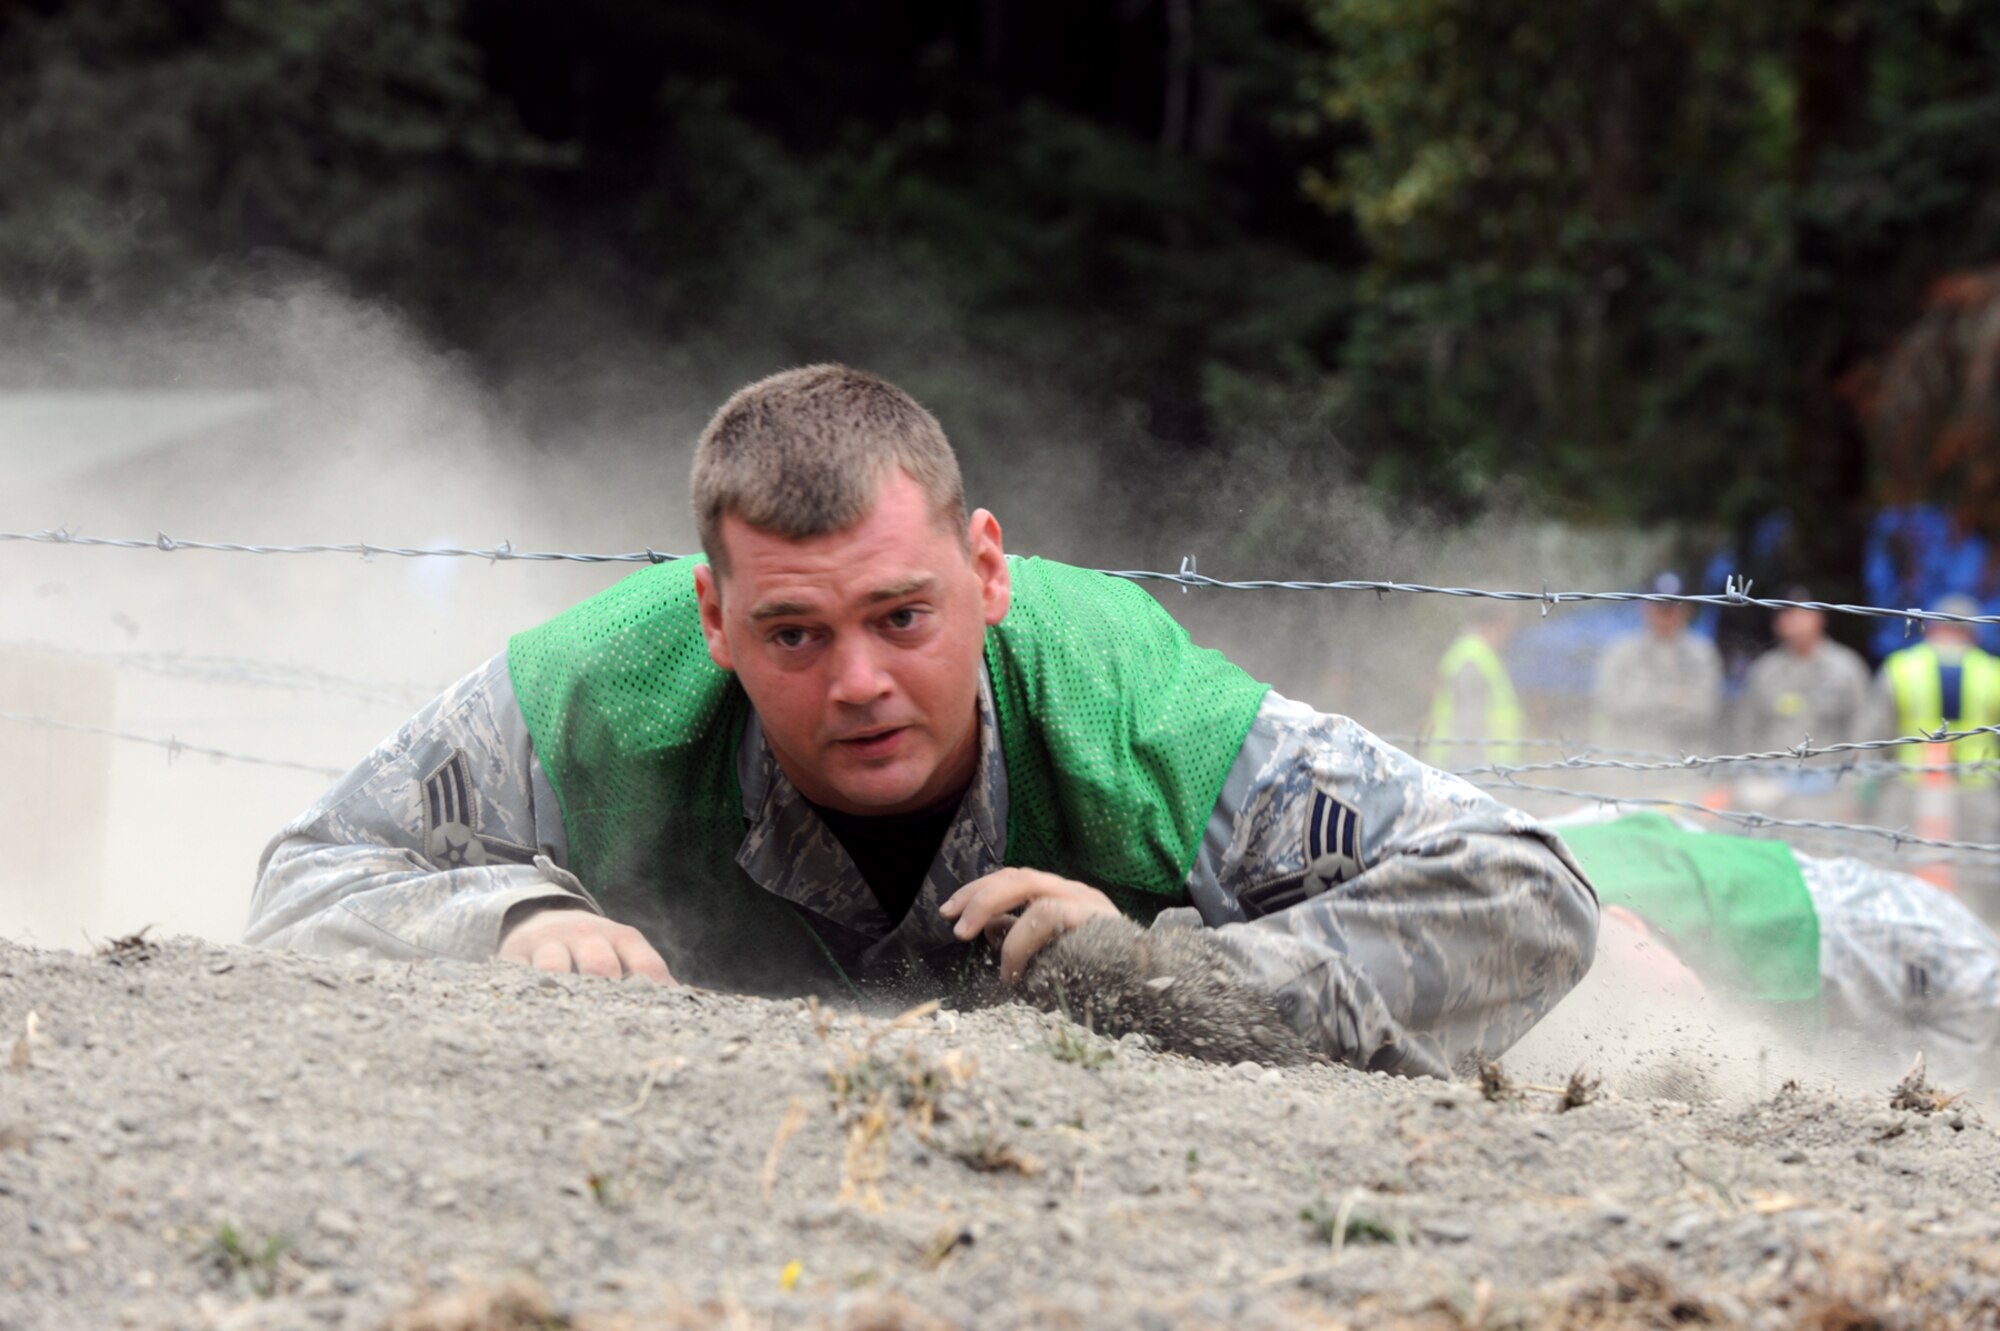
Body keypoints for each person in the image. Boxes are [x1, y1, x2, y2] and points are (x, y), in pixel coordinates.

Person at [247, 365, 1598, 1078]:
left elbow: (1524, 894)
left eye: (903, 615)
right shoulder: (601, 685)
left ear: (988, 571)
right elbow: (309, 871)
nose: (857, 680)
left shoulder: (1123, 705)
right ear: (714, 617)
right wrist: (512, 921)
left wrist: (1165, 977)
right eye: (794, 632)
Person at [1555, 812, 2000, 1081]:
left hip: (1835, 931)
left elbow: (1677, 994)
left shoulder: (1536, 856)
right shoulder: (1542, 842)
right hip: (1824, 921)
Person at [1729, 589, 1873, 817]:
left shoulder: (1846, 669)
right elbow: (1746, 728)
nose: (1795, 621)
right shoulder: (1765, 671)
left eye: (1802, 613)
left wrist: (1854, 790)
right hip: (1772, 794)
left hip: (1828, 791)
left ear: (1819, 618)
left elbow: (1864, 733)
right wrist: (1745, 778)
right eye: (1787, 614)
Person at [1591, 572, 1723, 759]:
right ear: (1644, 607)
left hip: (1685, 760)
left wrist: (1643, 702)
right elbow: (1609, 704)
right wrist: (1672, 697)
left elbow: (1705, 711)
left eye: (1672, 607)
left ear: (1686, 610)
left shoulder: (1702, 654)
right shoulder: (1621, 652)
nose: (1665, 614)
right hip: (1629, 759)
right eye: (1659, 606)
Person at [1425, 605, 1524, 769]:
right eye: (1508, 627)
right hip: (1469, 765)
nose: (1510, 635)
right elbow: (1467, 719)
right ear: (1497, 624)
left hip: (1479, 765)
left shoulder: (1478, 654)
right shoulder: (1472, 658)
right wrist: (1474, 768)